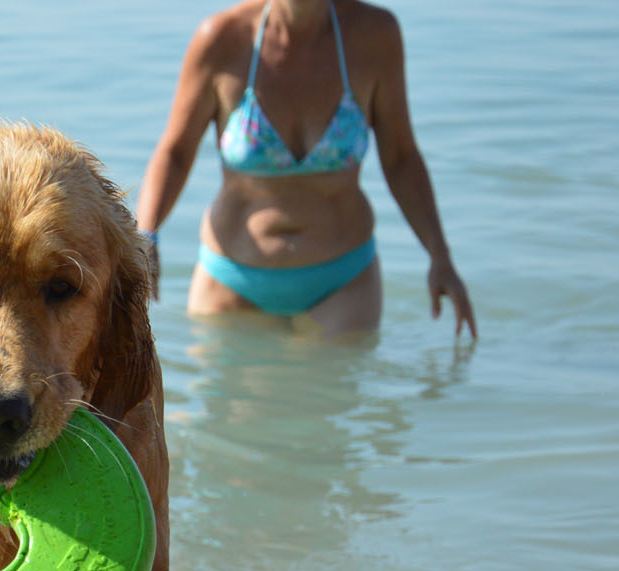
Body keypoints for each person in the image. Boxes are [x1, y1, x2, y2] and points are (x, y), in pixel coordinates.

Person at [136, 0, 477, 338]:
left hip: (343, 281)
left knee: (334, 395)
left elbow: (401, 158)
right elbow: (176, 152)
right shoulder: (222, 38)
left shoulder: (375, 35)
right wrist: (145, 237)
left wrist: (440, 256)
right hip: (231, 279)